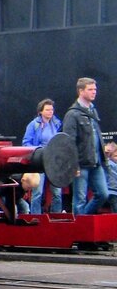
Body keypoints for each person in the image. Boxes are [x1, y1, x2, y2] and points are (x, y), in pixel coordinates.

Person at [61, 77, 109, 214]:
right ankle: (79, 229)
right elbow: (68, 141)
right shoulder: (72, 114)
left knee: (103, 194)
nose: (94, 92)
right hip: (81, 163)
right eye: (90, 89)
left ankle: (83, 221)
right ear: (81, 91)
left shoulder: (93, 110)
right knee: (79, 199)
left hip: (96, 161)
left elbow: (96, 135)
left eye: (95, 89)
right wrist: (73, 164)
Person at [21, 98, 63, 212]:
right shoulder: (33, 125)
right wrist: (36, 152)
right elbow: (26, 142)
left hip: (53, 161)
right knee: (38, 192)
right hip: (39, 160)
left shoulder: (57, 123)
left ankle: (56, 216)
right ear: (41, 111)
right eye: (47, 110)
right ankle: (36, 217)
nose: (50, 112)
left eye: (52, 109)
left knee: (57, 192)